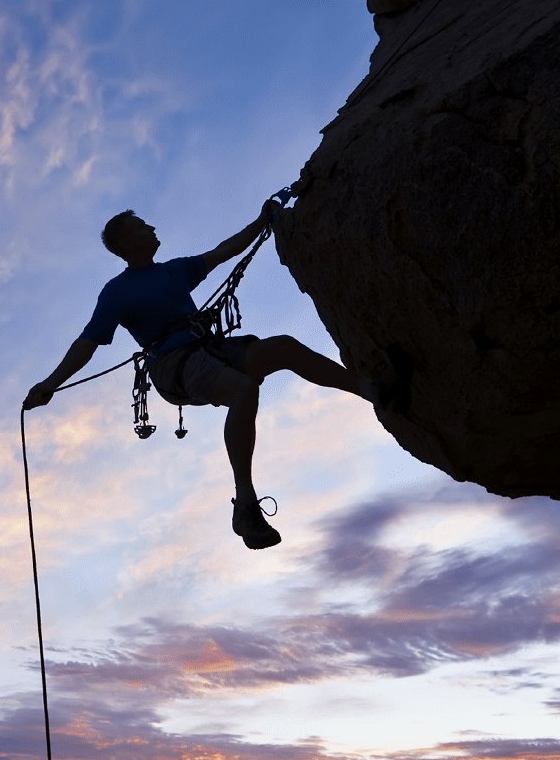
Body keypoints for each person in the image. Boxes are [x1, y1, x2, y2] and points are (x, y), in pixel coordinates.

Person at [23, 201, 411, 550]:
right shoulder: (117, 292)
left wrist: (262, 221)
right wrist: (50, 384)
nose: (152, 229)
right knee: (243, 390)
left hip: (207, 350)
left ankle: (372, 390)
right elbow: (88, 342)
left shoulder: (175, 271)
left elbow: (224, 251)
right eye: (142, 226)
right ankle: (245, 503)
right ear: (124, 243)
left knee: (283, 348)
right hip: (173, 365)